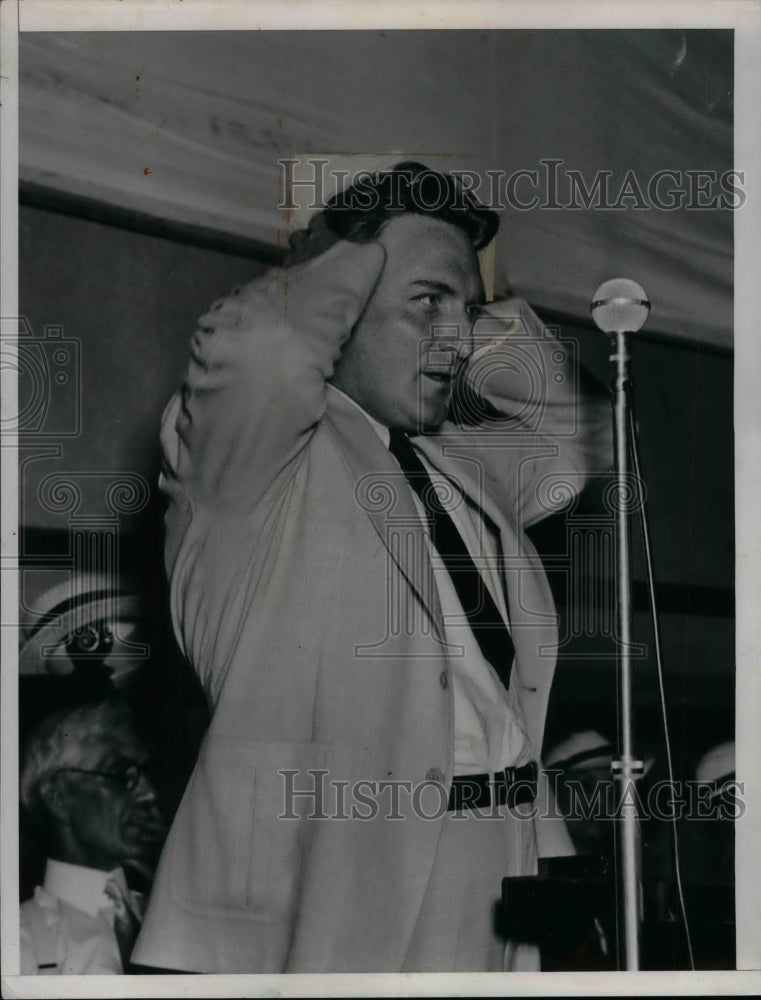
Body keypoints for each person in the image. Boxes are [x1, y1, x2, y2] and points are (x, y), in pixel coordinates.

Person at [133, 162, 611, 973]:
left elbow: (587, 434)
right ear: (343, 306)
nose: (454, 340)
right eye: (424, 303)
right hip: (334, 876)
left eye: (464, 310)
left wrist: (468, 305)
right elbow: (262, 350)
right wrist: (360, 245)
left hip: (503, 857)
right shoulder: (246, 467)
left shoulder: (459, 465)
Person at [19, 699, 165, 974]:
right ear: (59, 798)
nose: (149, 793)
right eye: (119, 775)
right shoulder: (22, 939)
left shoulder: (173, 917)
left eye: (144, 774)